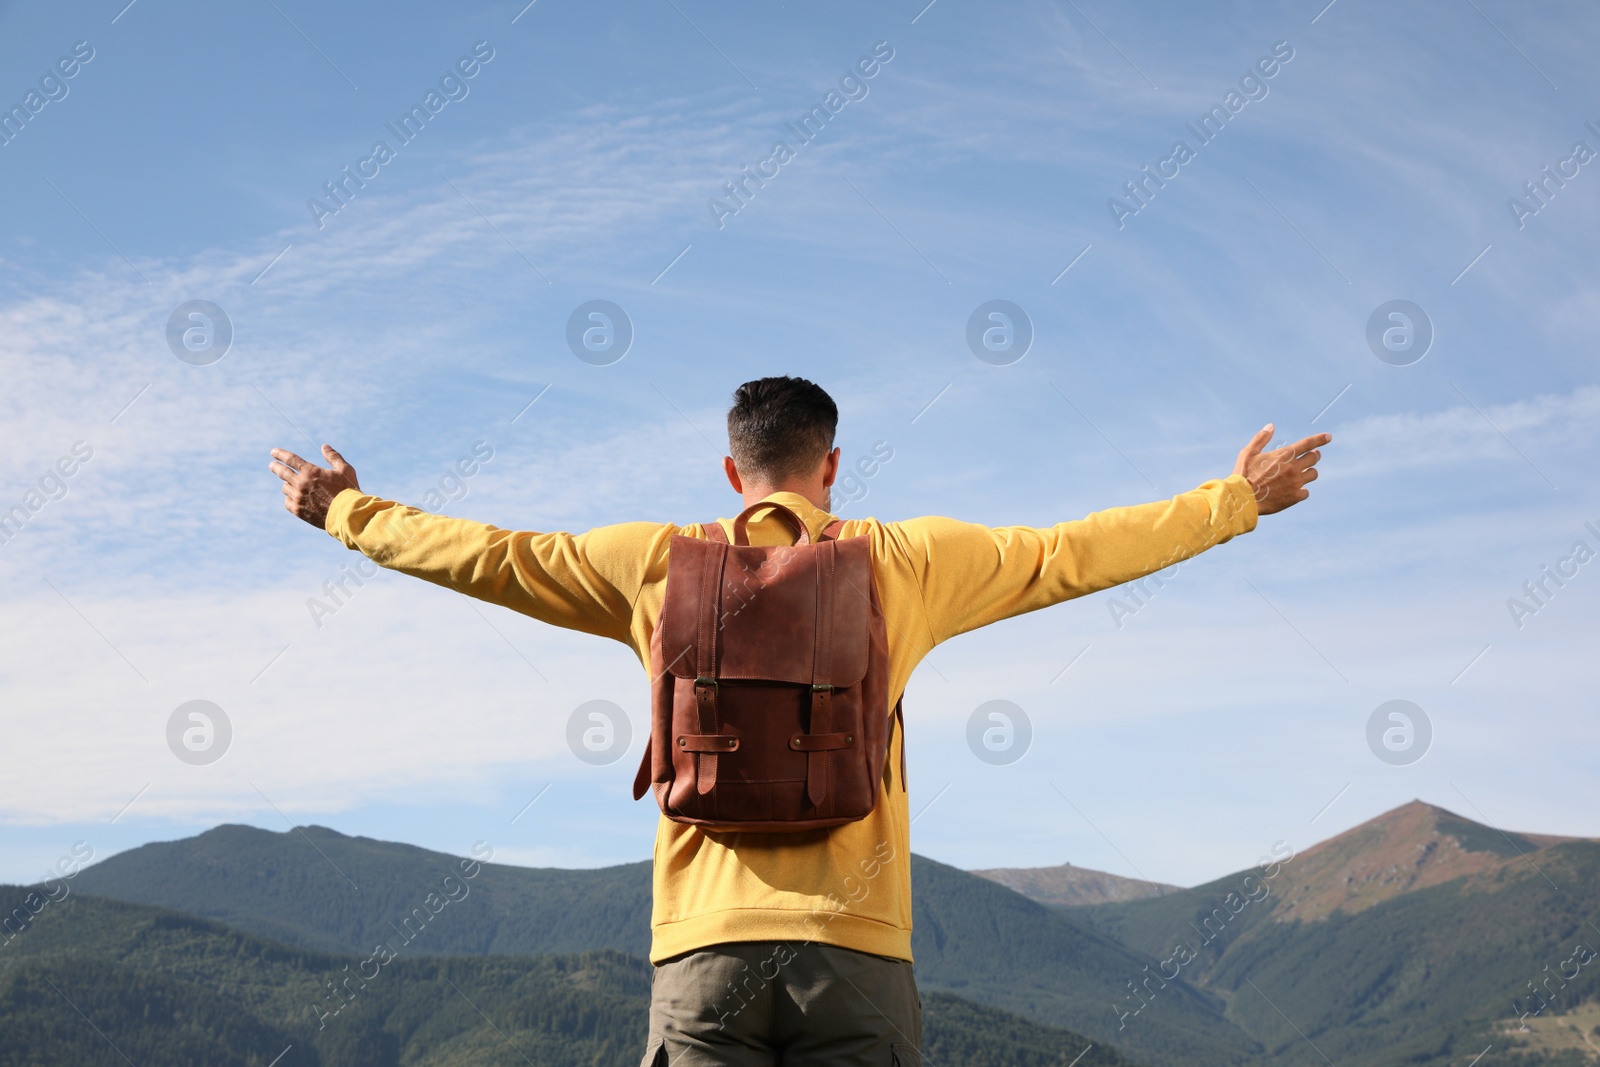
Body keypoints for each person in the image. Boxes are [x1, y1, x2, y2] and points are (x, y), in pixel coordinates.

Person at [269, 376, 1329, 1066]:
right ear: (832, 465)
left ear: (732, 471)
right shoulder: (904, 561)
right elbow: (1072, 550)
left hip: (702, 953)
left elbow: (490, 555)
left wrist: (345, 509)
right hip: (857, 953)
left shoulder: (651, 560)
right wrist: (1233, 501)